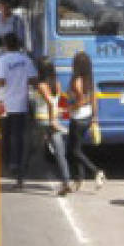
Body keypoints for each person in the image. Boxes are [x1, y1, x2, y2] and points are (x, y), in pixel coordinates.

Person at [0, 32, 35, 189]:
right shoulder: (26, 60)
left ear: (5, 45)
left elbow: (0, 81)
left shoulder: (2, 60)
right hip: (21, 103)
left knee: (4, 134)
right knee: (18, 136)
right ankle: (16, 163)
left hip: (4, 104)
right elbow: (33, 79)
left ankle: (6, 163)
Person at [66, 51, 104, 191]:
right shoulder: (89, 79)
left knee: (73, 151)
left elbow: (80, 100)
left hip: (77, 118)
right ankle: (79, 180)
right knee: (77, 149)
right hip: (87, 117)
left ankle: (96, 171)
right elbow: (94, 99)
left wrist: (69, 108)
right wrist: (95, 118)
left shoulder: (76, 80)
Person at [36, 58, 71, 195]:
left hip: (43, 120)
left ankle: (20, 177)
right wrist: (59, 114)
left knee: (31, 149)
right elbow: (58, 101)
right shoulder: (56, 84)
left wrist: (52, 121)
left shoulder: (41, 85)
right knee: (60, 152)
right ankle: (66, 181)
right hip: (53, 119)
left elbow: (50, 103)